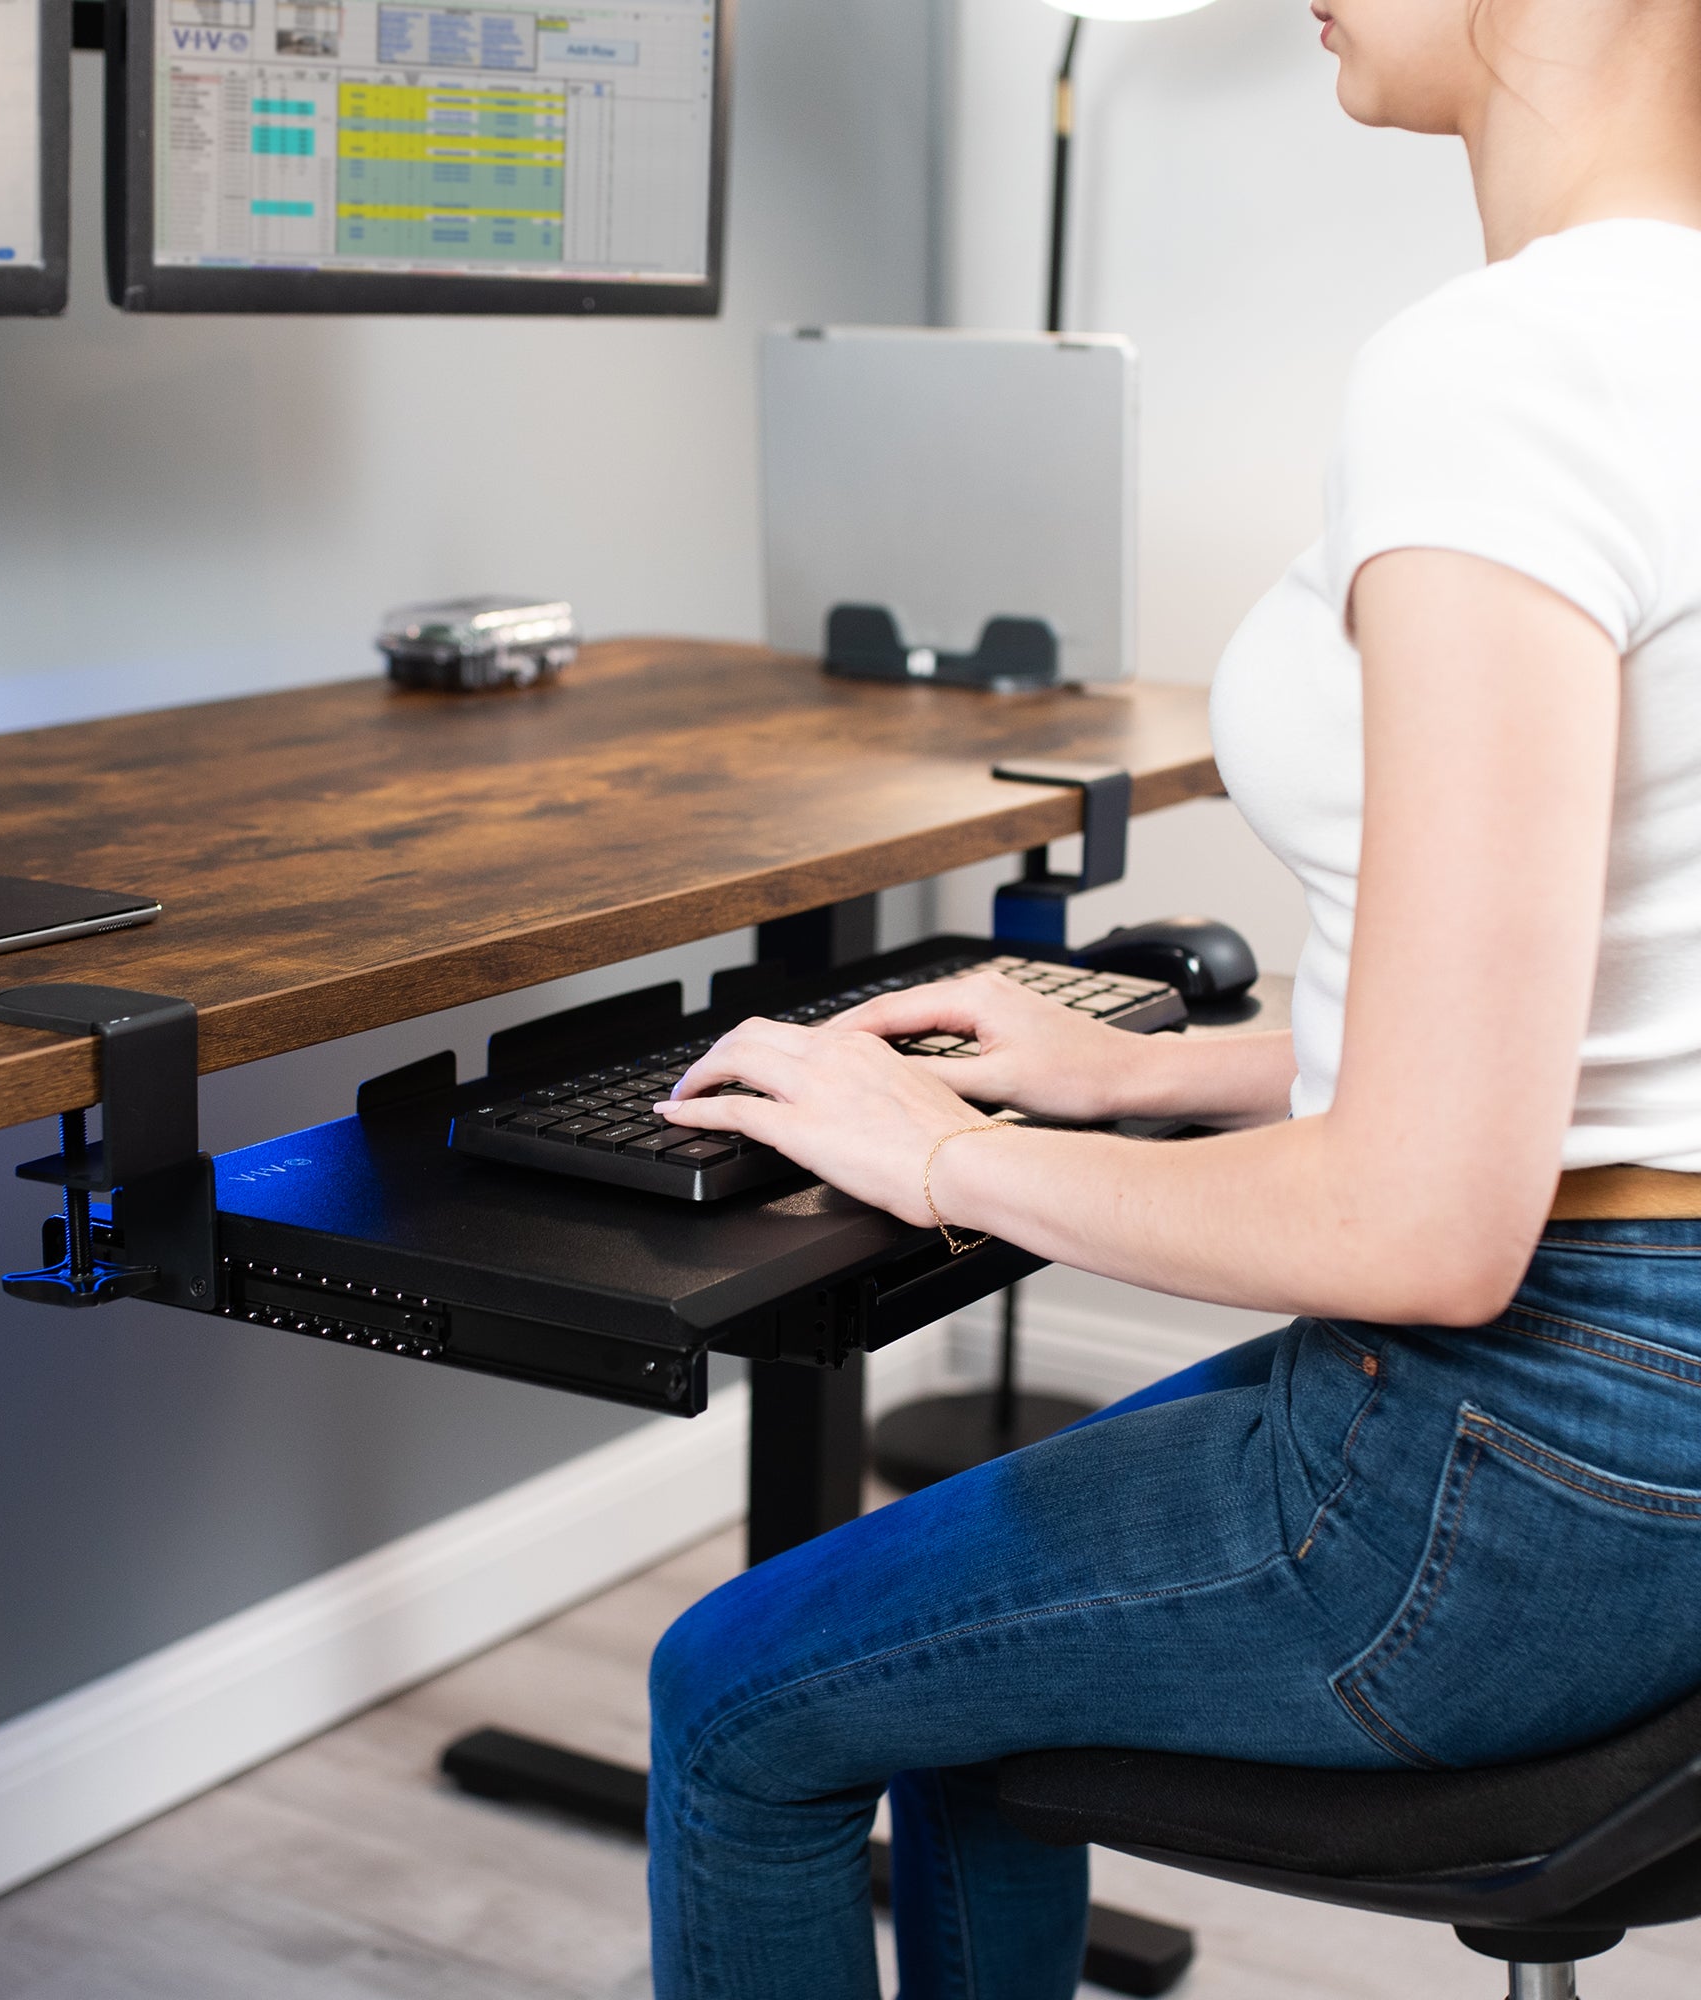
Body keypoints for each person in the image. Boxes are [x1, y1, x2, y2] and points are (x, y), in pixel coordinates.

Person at [643, 0, 1701, 1993]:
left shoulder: (1507, 370)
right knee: (955, 1696)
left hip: (1538, 1445)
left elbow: (1418, 1224)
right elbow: (1625, 989)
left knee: (735, 1698)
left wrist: (943, 1151)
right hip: (1653, 1423)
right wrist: (1130, 1074)